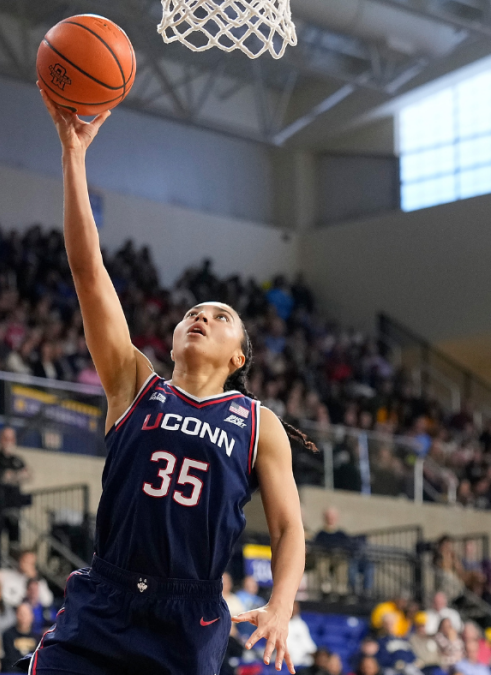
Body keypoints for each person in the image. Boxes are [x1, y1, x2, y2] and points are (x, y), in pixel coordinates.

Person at [31, 79, 309, 675]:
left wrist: (281, 605)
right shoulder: (136, 383)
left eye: (220, 316)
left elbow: (288, 528)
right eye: (192, 313)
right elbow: (87, 270)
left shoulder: (258, 424)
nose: (200, 317)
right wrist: (73, 156)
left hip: (190, 618)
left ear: (240, 357)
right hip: (105, 601)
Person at [0, 427, 30, 562]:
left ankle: (13, 563)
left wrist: (12, 476)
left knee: (15, 539)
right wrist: (17, 476)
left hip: (14, 505)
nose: (8, 441)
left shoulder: (17, 459)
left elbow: (28, 475)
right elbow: (3, 477)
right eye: (5, 438)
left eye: (11, 438)